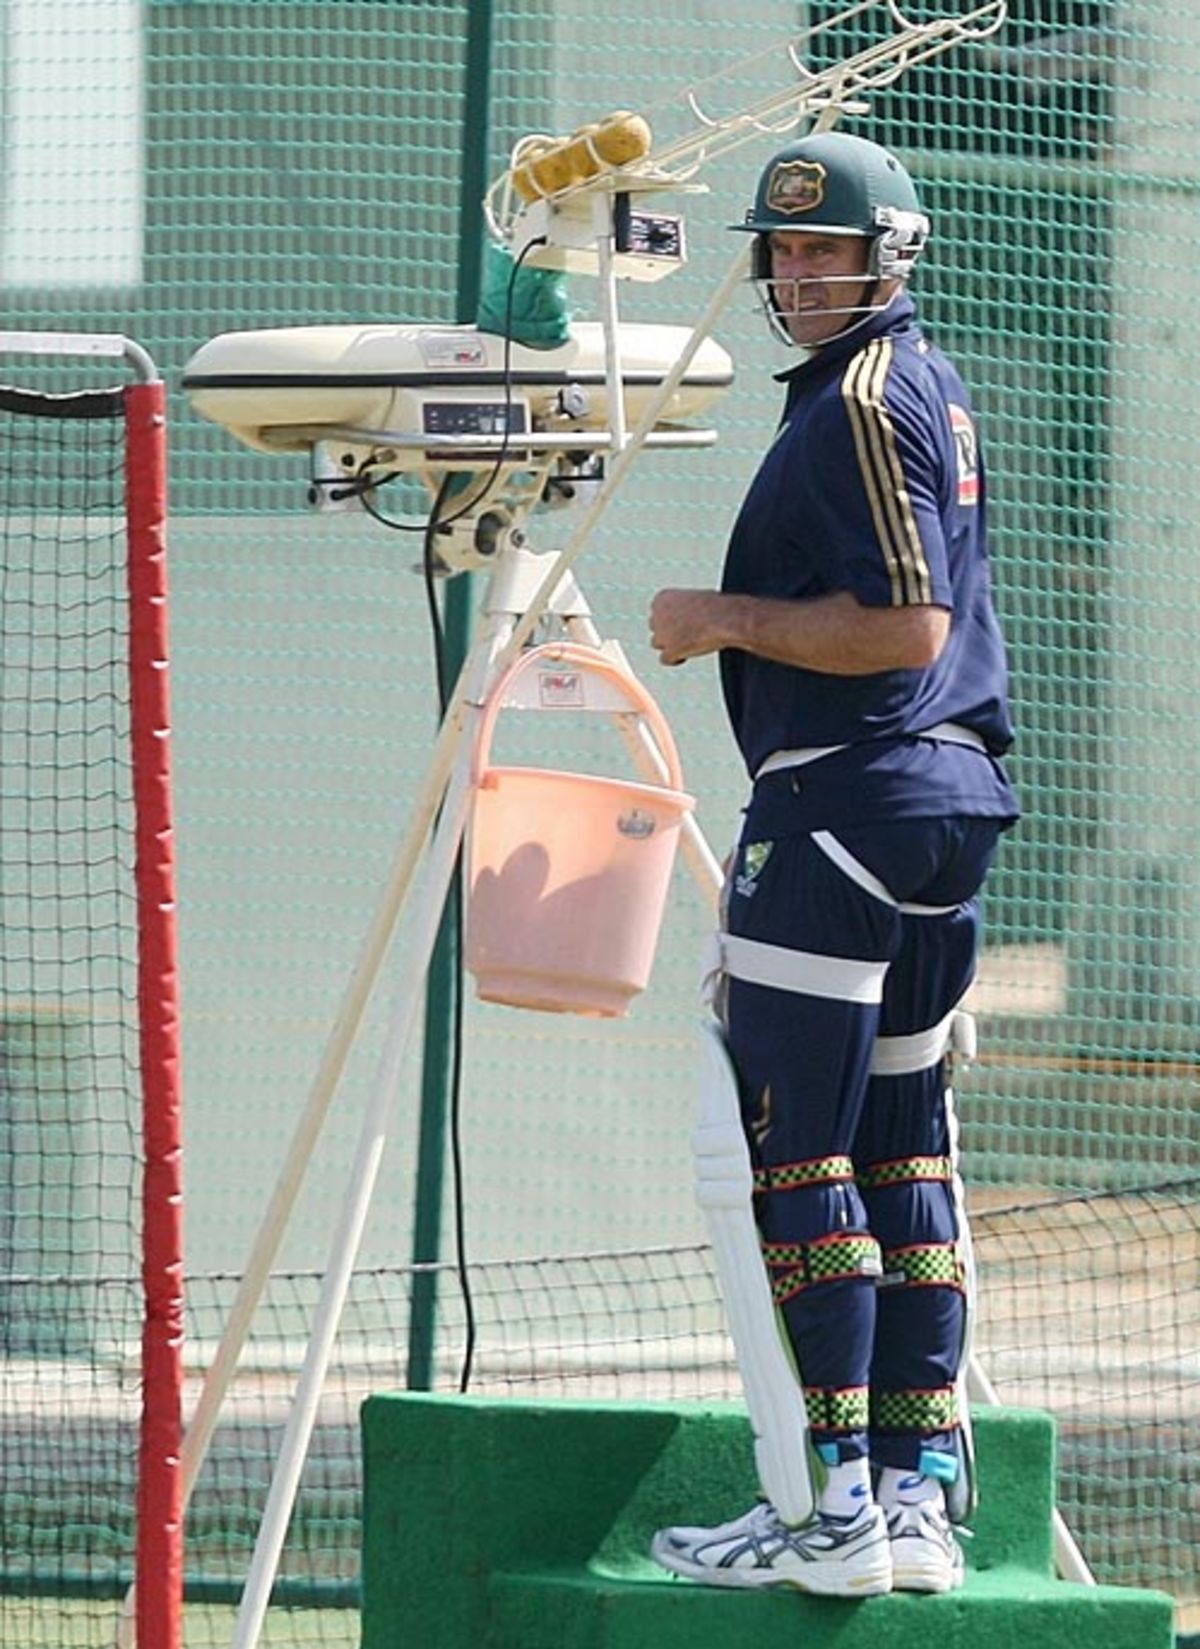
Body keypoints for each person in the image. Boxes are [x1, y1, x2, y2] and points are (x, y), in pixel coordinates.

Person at [646, 130, 1019, 1597]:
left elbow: (904, 625)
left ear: (891, 256)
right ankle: (919, 1497)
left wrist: (717, 615)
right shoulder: (915, 385)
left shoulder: (865, 395)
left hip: (844, 804)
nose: (801, 275)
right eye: (784, 252)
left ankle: (833, 1505)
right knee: (905, 1146)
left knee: (793, 1150)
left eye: (828, 251)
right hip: (945, 808)